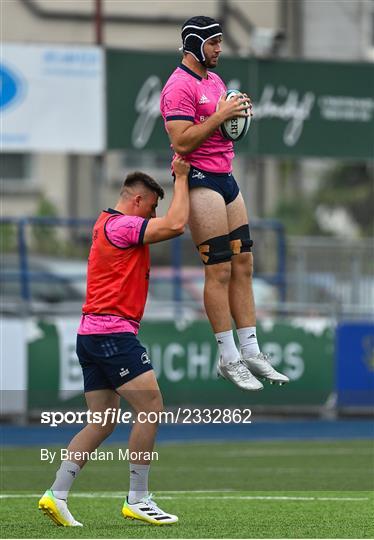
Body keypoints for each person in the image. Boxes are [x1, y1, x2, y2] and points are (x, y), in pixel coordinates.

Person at [38, 156, 190, 527]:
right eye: (152, 207)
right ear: (137, 201)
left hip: (91, 332)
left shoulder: (106, 223)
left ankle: (55, 494)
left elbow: (169, 223)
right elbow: (176, 225)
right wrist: (183, 178)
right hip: (111, 333)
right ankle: (138, 498)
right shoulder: (122, 225)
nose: (153, 215)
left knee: (103, 422)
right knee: (152, 404)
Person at [160, 16, 289, 391]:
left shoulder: (214, 81)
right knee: (217, 269)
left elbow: (224, 127)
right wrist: (221, 115)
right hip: (200, 179)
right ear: (193, 44)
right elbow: (182, 142)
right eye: (213, 42)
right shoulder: (177, 87)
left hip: (226, 177)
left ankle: (251, 350)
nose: (219, 48)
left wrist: (238, 115)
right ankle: (228, 357)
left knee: (244, 262)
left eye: (219, 41)